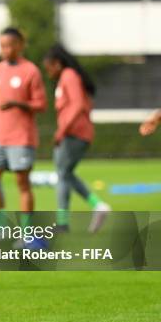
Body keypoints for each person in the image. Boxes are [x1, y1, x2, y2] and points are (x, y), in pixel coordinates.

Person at [0, 28, 46, 241]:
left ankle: (27, 234)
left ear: (20, 45)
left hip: (21, 137)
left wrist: (18, 103)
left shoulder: (31, 70)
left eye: (10, 45)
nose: (6, 50)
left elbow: (41, 104)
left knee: (23, 184)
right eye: (2, 46)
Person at [43, 44, 111, 233]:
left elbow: (78, 104)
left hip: (75, 134)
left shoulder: (69, 76)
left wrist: (62, 130)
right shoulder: (67, 77)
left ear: (57, 64)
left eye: (48, 67)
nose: (47, 72)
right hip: (73, 133)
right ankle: (98, 206)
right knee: (66, 173)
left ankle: (63, 223)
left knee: (63, 175)